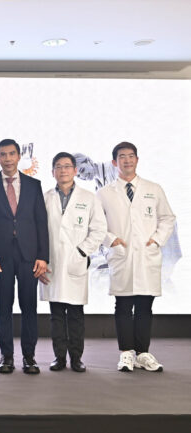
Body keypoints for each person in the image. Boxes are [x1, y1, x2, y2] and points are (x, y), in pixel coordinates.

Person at [96, 142, 175, 372]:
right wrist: (111, 239)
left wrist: (157, 239)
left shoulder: (153, 189)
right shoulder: (104, 193)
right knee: (123, 306)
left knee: (144, 307)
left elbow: (167, 218)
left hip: (147, 256)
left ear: (137, 160)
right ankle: (126, 353)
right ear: (115, 162)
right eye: (122, 157)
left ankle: (143, 353)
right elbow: (97, 224)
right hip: (122, 256)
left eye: (131, 156)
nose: (127, 160)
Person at [0, 138, 49, 375]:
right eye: (3, 154)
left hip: (29, 256)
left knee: (29, 307)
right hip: (1, 257)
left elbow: (41, 222)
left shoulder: (33, 185)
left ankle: (29, 357)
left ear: (19, 156)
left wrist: (43, 256)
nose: (7, 158)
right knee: (3, 307)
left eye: (11, 154)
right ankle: (6, 357)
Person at [38, 152, 107, 373]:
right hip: (51, 263)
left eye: (67, 166)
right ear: (52, 172)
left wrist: (81, 251)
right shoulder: (45, 197)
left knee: (75, 314)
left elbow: (99, 230)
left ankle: (76, 358)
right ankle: (59, 357)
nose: (63, 170)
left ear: (75, 170)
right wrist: (40, 259)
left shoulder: (89, 198)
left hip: (76, 261)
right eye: (58, 167)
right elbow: (37, 231)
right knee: (56, 315)